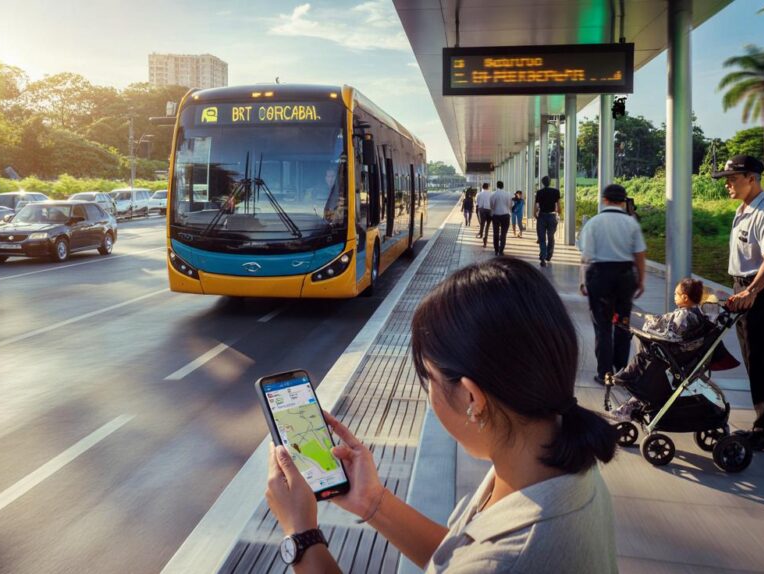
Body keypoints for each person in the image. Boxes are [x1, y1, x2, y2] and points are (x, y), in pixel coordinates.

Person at [265, 258, 619, 573]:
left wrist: (301, 535)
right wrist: (372, 502)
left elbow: (484, 562)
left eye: (429, 378)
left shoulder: (506, 559)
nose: (428, 393)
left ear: (471, 397)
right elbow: (460, 555)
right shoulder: (563, 464)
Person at [712, 154, 764, 451]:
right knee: (753, 359)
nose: (728, 184)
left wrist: (752, 291)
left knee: (763, 361)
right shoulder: (744, 209)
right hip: (745, 289)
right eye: (727, 180)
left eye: (733, 179)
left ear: (752, 179)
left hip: (761, 291)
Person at [610, 278, 711, 418]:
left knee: (642, 359)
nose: (674, 296)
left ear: (685, 297)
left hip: (673, 357)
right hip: (680, 357)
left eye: (676, 293)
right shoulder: (696, 315)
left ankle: (626, 378)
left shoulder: (684, 316)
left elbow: (670, 334)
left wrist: (649, 330)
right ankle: (629, 407)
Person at [578, 183, 647, 384]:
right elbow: (640, 254)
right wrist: (640, 279)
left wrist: (583, 281)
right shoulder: (631, 223)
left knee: (602, 325)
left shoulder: (594, 223)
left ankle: (604, 373)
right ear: (623, 201)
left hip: (599, 275)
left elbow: (586, 256)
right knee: (623, 324)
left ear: (604, 199)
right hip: (625, 276)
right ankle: (622, 370)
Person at [534, 176, 560, 267]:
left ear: (542, 183)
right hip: (552, 216)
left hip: (542, 216)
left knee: (542, 238)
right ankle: (549, 255)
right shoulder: (556, 192)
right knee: (551, 236)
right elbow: (558, 205)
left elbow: (536, 205)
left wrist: (535, 214)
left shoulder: (539, 192)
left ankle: (543, 257)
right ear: (550, 182)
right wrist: (558, 214)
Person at [489, 181, 511, 255]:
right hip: (505, 215)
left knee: (495, 233)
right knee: (503, 233)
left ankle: (496, 250)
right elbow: (510, 205)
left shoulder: (493, 194)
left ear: (497, 186)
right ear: (503, 186)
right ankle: (501, 250)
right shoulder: (508, 194)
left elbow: (491, 206)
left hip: (496, 215)